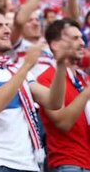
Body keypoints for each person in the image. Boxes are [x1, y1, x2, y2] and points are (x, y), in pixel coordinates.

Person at [0, 5, 72, 172]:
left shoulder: (14, 71)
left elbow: (53, 102)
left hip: (29, 164)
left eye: (6, 25)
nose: (7, 30)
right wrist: (26, 66)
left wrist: (60, 65)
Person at [37, 19, 90, 172]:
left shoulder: (84, 78)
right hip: (70, 163)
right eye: (74, 38)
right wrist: (87, 92)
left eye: (81, 37)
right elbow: (63, 123)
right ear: (55, 45)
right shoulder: (46, 79)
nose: (82, 43)